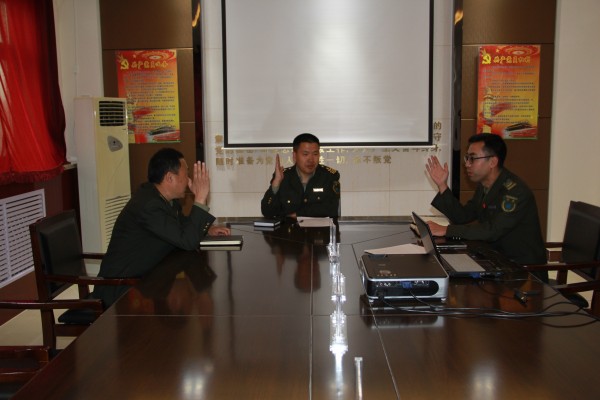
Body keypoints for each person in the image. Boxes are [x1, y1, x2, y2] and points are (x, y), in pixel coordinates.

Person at [425, 134, 547, 281]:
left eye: (472, 158)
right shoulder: (485, 186)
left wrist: (446, 230)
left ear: (492, 161)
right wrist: (442, 185)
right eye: (467, 158)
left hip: (522, 273)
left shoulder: (515, 192)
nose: (467, 164)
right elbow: (463, 216)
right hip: (495, 261)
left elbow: (492, 230)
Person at [95, 148, 230, 282]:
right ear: (170, 178)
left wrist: (208, 229)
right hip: (123, 286)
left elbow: (182, 227)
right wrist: (200, 198)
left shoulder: (165, 200)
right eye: (186, 174)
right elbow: (187, 241)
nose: (188, 180)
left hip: (150, 279)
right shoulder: (149, 205)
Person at [261, 133, 340, 218]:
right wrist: (276, 184)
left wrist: (298, 214)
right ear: (294, 156)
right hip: (288, 227)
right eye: (305, 154)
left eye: (315, 154)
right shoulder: (283, 177)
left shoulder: (329, 176)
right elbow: (267, 212)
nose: (311, 159)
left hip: (320, 227)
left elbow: (332, 209)